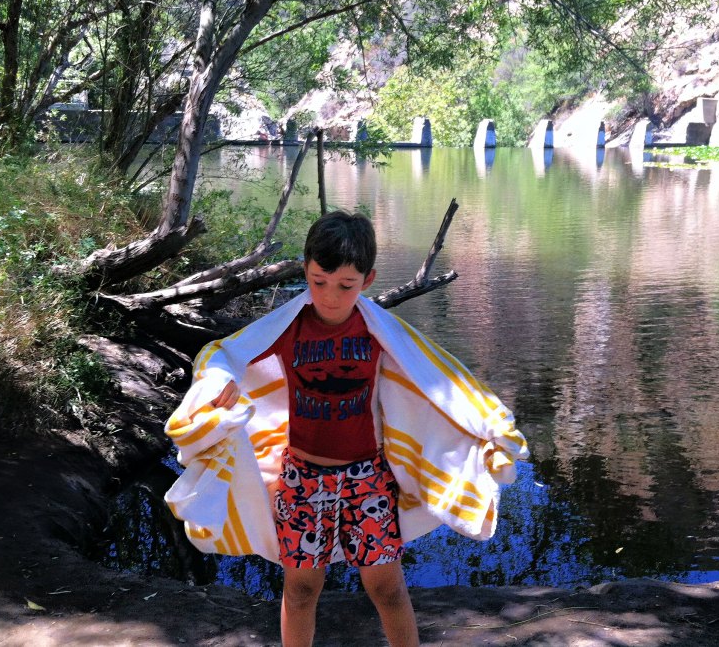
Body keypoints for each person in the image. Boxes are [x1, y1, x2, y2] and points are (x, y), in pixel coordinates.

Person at [164, 211, 528, 647]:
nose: (330, 297)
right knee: (300, 590)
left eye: (345, 286)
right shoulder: (289, 327)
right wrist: (217, 380)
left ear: (367, 280)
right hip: (301, 479)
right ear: (306, 270)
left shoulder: (379, 331)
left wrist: (492, 427)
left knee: (387, 588)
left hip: (367, 480)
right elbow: (224, 353)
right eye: (318, 281)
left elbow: (444, 382)